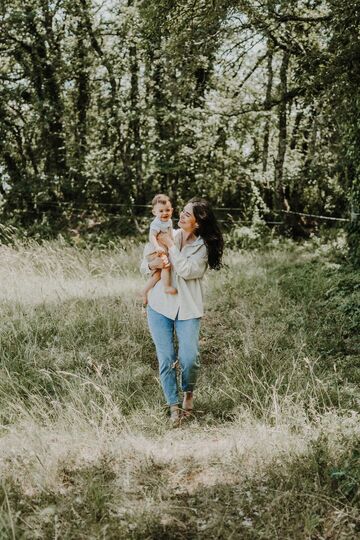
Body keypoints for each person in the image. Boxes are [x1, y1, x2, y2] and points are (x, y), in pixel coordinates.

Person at [140, 197, 224, 426]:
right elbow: (144, 262)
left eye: (188, 214)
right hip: (160, 305)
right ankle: (173, 406)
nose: (181, 216)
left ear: (197, 222)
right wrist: (151, 265)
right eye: (183, 212)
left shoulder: (202, 247)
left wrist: (169, 247)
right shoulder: (169, 232)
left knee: (189, 359)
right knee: (166, 358)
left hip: (188, 308)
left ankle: (188, 393)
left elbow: (187, 271)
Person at [141, 194, 177, 306]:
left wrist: (172, 240)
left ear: (172, 210)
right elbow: (152, 236)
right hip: (155, 249)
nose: (164, 213)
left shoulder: (169, 221)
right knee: (166, 265)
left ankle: (144, 291)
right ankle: (167, 287)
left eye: (167, 210)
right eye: (161, 211)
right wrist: (157, 246)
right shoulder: (156, 223)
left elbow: (170, 232)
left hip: (162, 249)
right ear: (154, 212)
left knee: (157, 274)